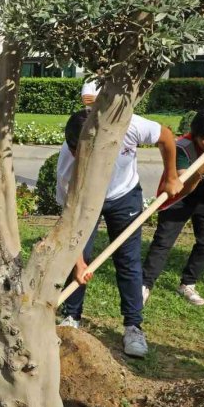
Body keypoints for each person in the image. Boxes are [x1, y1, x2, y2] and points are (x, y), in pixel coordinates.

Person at [57, 109, 183, 357]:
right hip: (85, 201)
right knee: (78, 258)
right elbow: (68, 223)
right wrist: (79, 263)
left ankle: (133, 326)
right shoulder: (67, 168)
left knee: (128, 260)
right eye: (76, 151)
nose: (78, 156)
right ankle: (71, 317)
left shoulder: (128, 125)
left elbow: (166, 136)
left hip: (124, 195)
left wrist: (171, 176)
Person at [142, 107, 204, 306]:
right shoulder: (181, 146)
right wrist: (200, 171)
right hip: (179, 197)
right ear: (196, 135)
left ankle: (188, 283)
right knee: (163, 242)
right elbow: (180, 185)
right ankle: (144, 285)